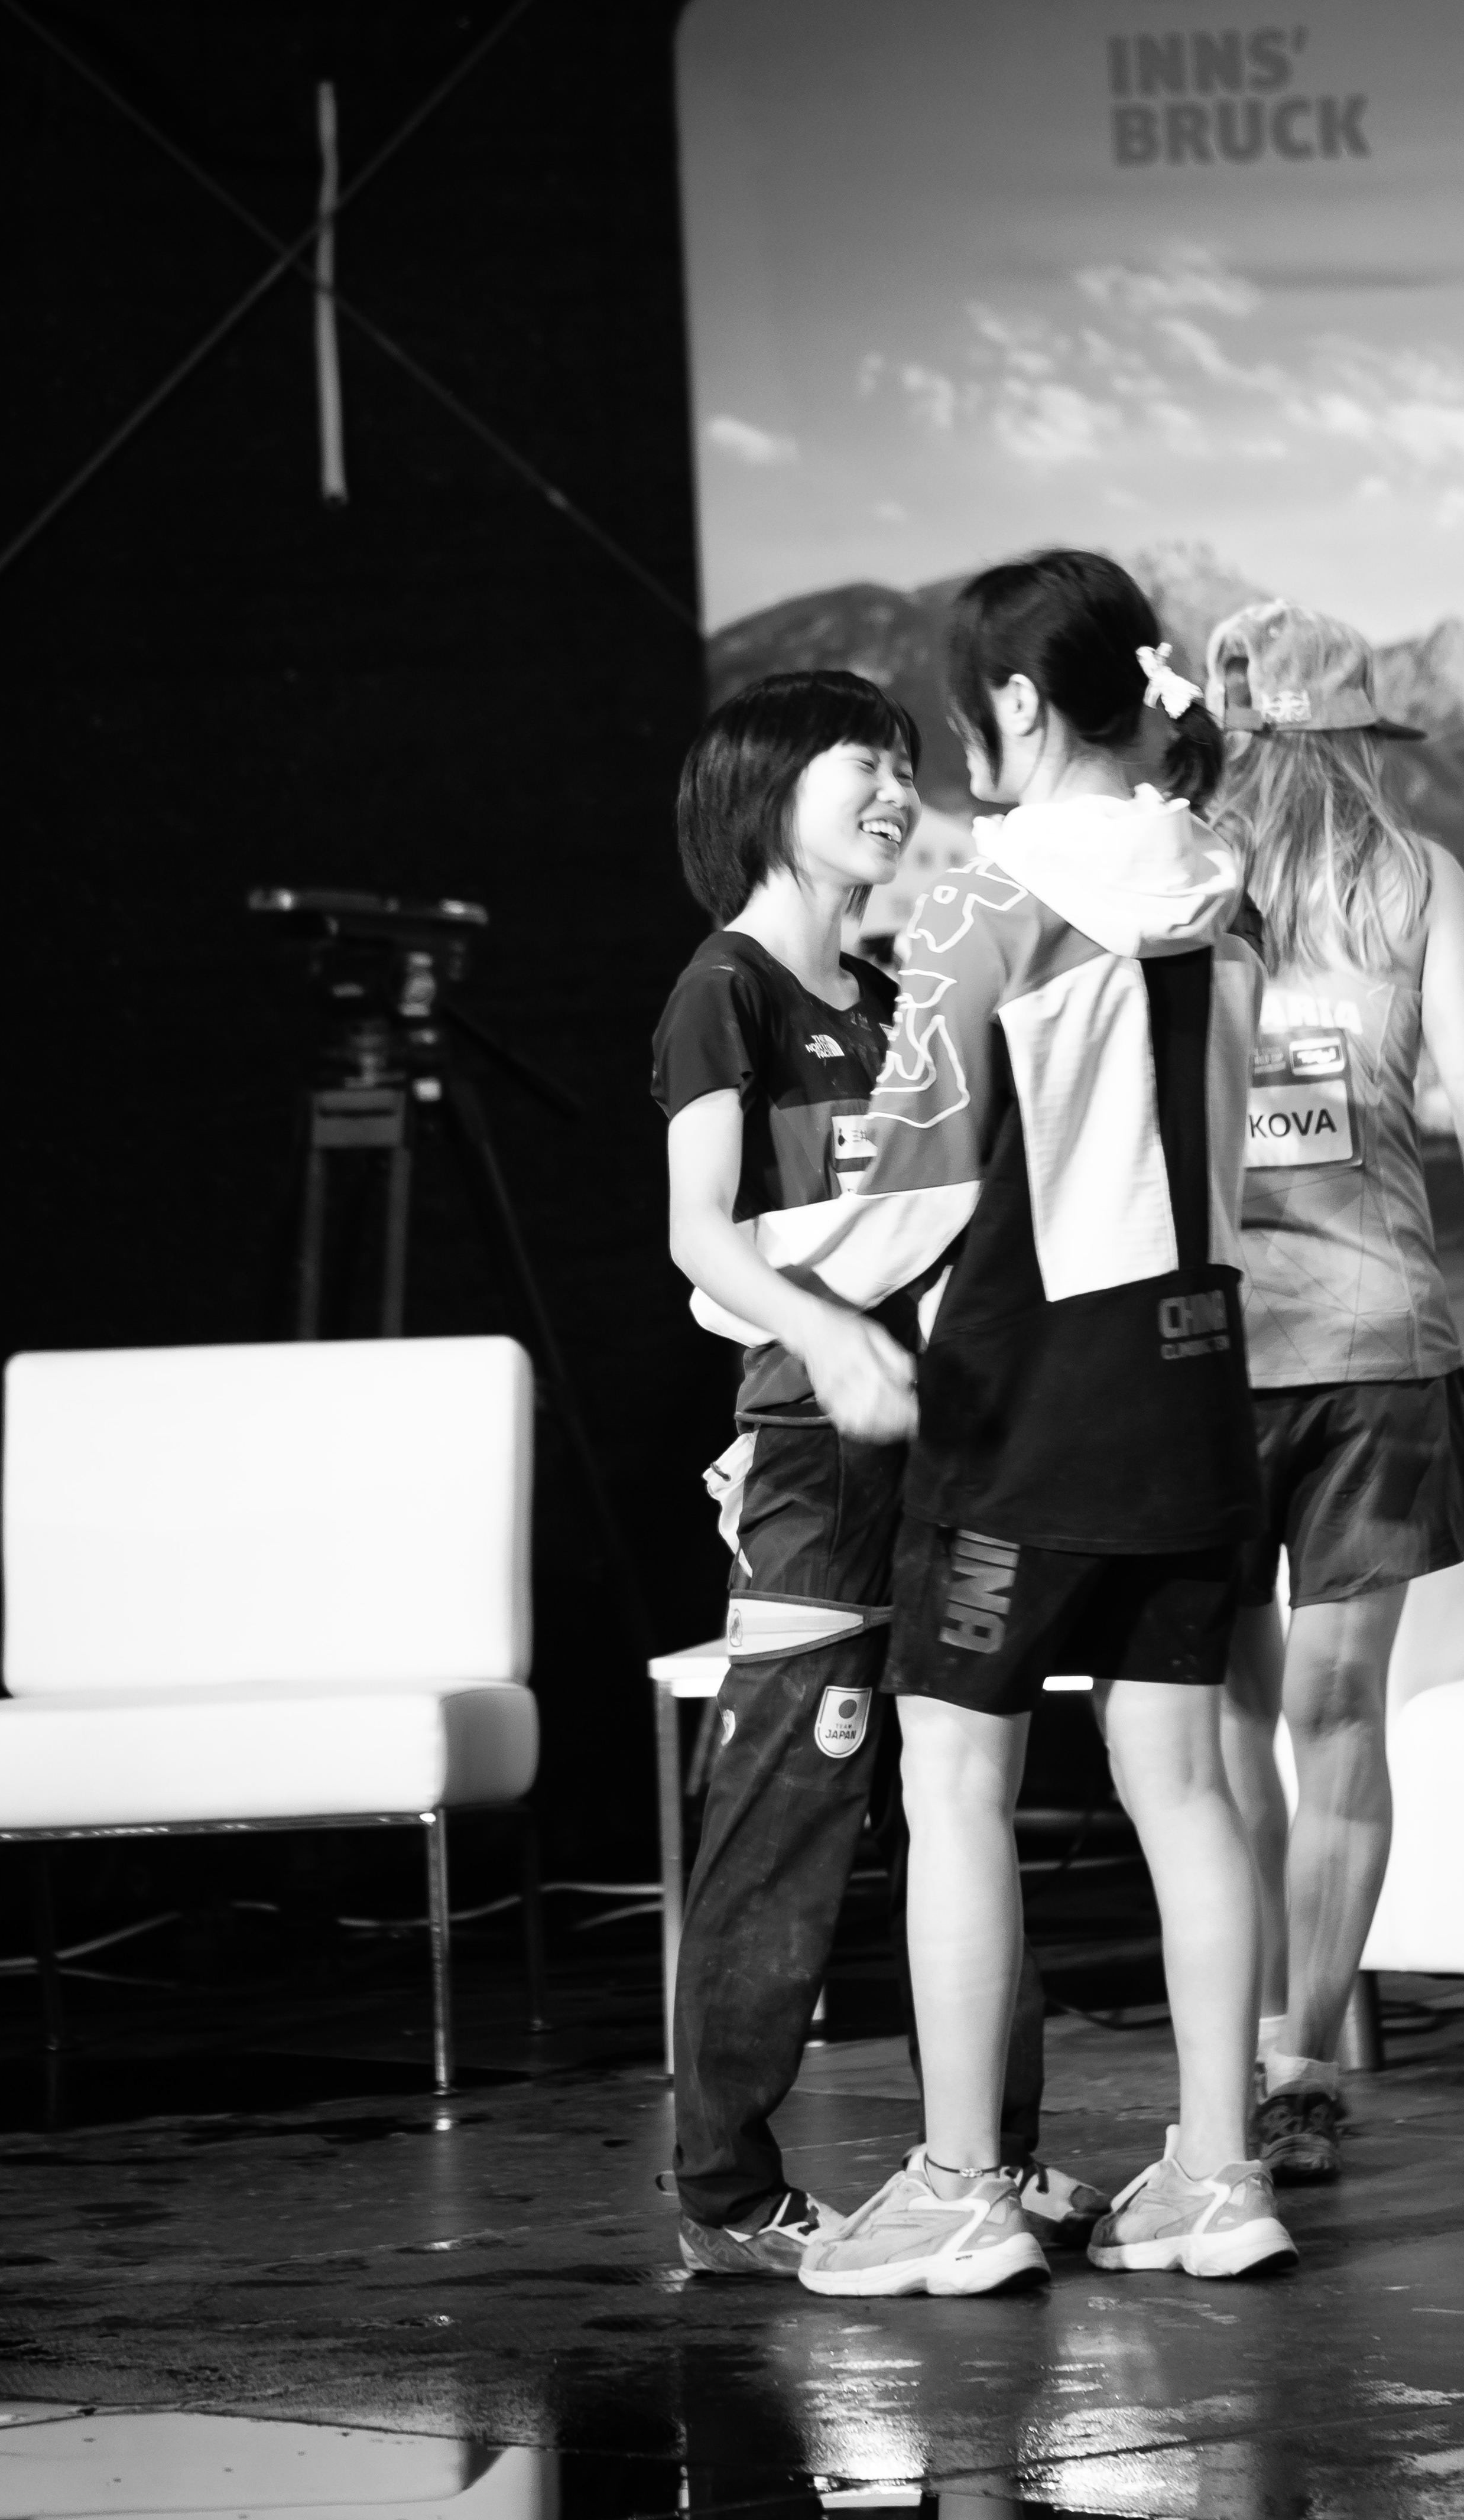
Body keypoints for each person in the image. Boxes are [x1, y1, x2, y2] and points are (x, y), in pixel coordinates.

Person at [791, 549, 1294, 2297]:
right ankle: (1220, 2173)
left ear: (1014, 704)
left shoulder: (981, 906)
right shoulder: (1228, 890)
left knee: (954, 1781)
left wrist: (758, 1280)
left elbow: (907, 1204)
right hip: (1197, 1395)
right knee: (1188, 1787)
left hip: (1023, 1406)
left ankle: (961, 2187)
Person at [654, 669, 1095, 2277]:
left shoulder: (907, 988)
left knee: (960, 1796)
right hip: (812, 1455)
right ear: (766, 785)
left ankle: (990, 2159)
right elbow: (699, 1231)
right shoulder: (727, 988)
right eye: (865, 763)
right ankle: (724, 2193)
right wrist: (827, 1338)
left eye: (909, 765)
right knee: (791, 1809)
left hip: (954, 1441)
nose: (899, 794)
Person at [1203, 599, 1464, 2184]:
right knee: (1340, 1711)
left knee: (1230, 1715)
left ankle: (1232, 2062)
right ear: (1364, 738)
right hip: (1378, 1354)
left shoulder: (1178, 877)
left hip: (1203, 1359)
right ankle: (1302, 2072)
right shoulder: (1421, 877)